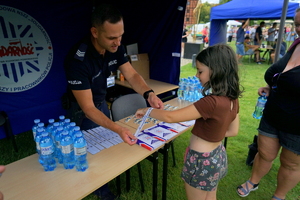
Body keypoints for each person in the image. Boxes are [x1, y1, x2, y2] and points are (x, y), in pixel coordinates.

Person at [64, 4, 164, 200]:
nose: (118, 42)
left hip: (99, 103)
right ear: (94, 32)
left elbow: (132, 74)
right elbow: (87, 108)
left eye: (121, 36)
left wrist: (149, 94)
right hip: (81, 109)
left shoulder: (116, 47)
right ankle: (100, 191)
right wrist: (118, 129)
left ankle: (101, 186)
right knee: (86, 153)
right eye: (112, 37)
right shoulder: (78, 60)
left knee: (103, 148)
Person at [136, 44, 242, 200]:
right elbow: (233, 131)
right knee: (210, 195)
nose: (197, 75)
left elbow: (170, 117)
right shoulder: (232, 98)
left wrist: (148, 110)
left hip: (201, 161)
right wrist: (212, 132)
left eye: (200, 71)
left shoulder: (210, 102)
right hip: (217, 155)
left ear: (216, 71)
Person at [237, 8, 300, 200]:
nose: (299, 29)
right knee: (264, 153)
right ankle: (253, 181)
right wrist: (271, 87)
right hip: (272, 114)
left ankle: (279, 196)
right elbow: (285, 77)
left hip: (297, 125)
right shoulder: (296, 44)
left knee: (290, 164)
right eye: (297, 24)